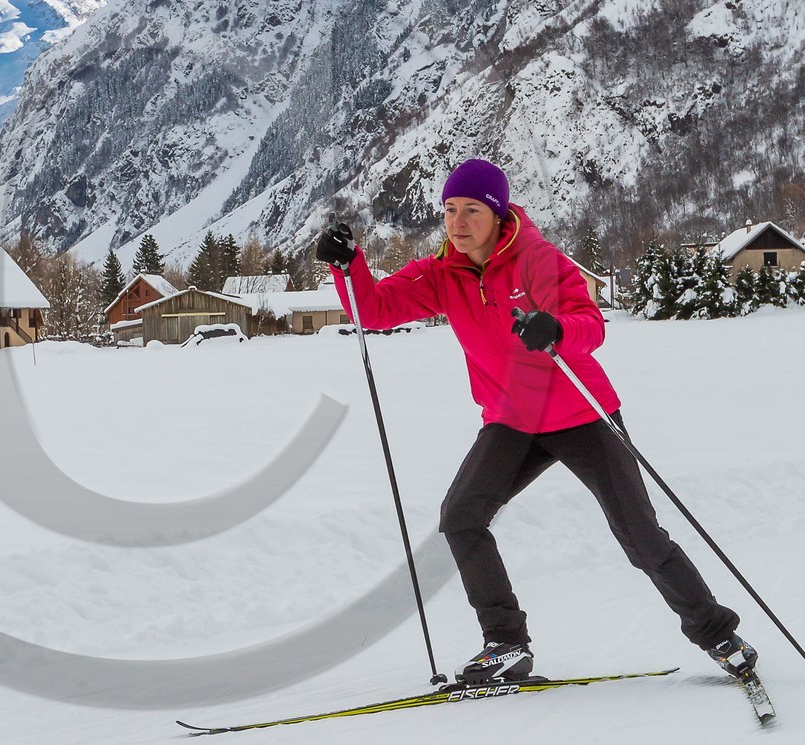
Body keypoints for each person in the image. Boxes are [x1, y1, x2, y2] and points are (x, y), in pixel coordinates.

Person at [316, 157, 756, 685]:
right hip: (512, 419)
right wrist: (349, 267)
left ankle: (717, 634)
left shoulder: (537, 260)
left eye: (471, 210)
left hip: (579, 412)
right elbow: (376, 311)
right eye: (450, 210)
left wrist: (556, 329)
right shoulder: (441, 273)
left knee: (639, 535)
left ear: (498, 213)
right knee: (460, 516)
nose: (457, 222)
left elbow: (589, 323)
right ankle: (506, 646)